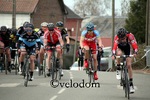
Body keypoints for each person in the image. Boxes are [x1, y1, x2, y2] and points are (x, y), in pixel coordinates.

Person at [112, 28, 138, 93]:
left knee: (129, 65)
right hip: (119, 47)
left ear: (126, 35)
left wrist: (135, 52)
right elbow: (114, 47)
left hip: (127, 48)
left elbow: (134, 45)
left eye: (123, 38)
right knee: (119, 54)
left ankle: (131, 83)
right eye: (121, 39)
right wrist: (113, 54)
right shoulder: (117, 37)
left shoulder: (130, 36)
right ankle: (118, 67)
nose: (122, 40)